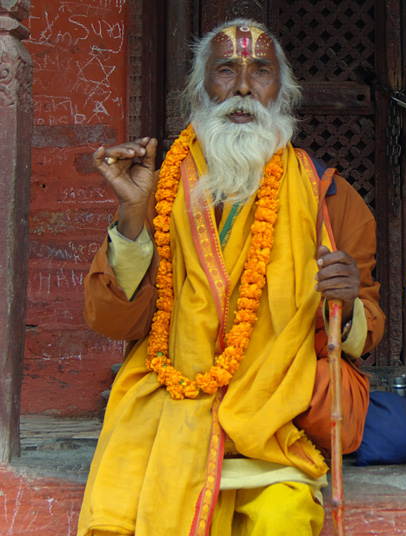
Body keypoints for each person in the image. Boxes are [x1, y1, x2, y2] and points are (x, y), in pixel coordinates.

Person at [78, 19, 384, 536]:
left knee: (284, 517)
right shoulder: (159, 188)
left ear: (282, 93)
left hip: (273, 429)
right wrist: (132, 215)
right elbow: (113, 320)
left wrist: (349, 303)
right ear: (201, 90)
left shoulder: (331, 199)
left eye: (260, 71)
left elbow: (367, 333)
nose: (243, 88)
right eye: (226, 71)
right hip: (168, 421)